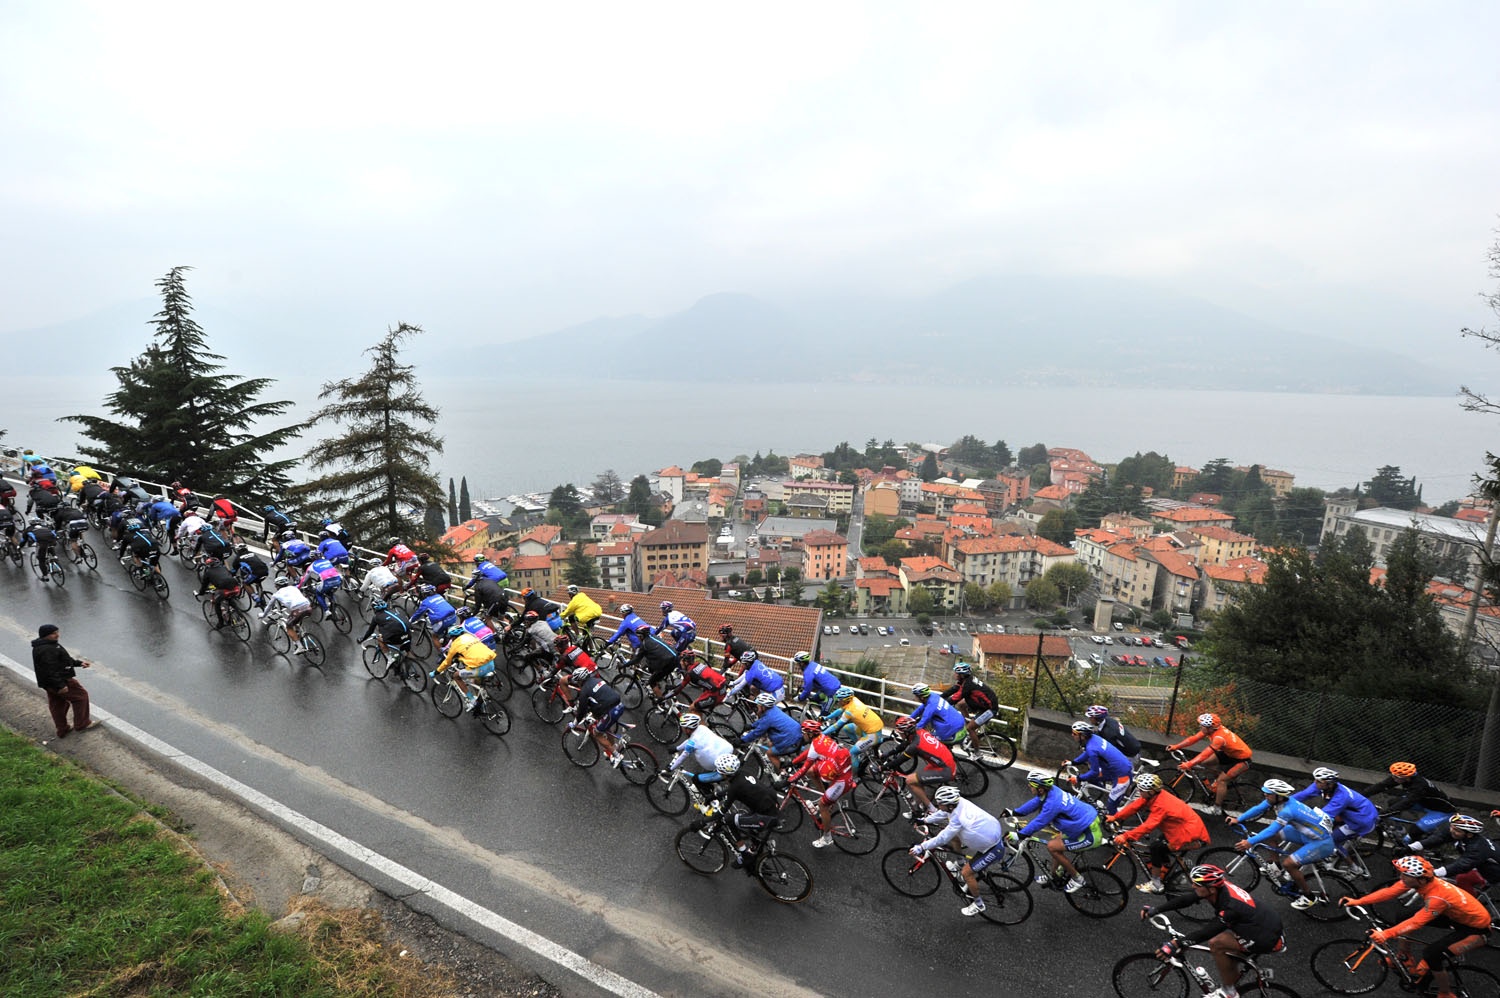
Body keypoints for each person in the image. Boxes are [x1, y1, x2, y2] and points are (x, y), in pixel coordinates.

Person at [1342, 855, 1490, 997]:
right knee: (1403, 916)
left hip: (1475, 929)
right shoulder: (1420, 881)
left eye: (1405, 875)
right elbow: (1389, 892)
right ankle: (1405, 957)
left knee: (1432, 955)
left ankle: (1446, 993)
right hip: (1455, 916)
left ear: (1421, 879)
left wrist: (1386, 934)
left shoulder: (1437, 897)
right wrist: (1358, 901)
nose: (1401, 877)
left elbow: (1417, 922)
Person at [1144, 864, 1285, 998]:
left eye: (1197, 884)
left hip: (1264, 936)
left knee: (1217, 944)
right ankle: (1232, 978)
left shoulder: (1230, 907)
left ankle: (1229, 992)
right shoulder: (1219, 887)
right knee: (1229, 955)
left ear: (1211, 889)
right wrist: (1157, 909)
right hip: (1265, 923)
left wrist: (1176, 944)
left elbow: (1208, 932)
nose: (1193, 886)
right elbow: (1187, 899)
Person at [1228, 778, 1334, 910]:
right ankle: (1276, 866)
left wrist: (1250, 841)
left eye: (1268, 793)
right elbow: (1258, 808)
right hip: (1307, 835)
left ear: (1279, 796)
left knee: (1289, 864)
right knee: (1272, 837)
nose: (1265, 795)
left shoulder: (1287, 811)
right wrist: (1238, 819)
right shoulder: (1280, 800)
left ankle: (1309, 897)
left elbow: (1272, 829)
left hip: (1321, 843)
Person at [911, 785, 1007, 916]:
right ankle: (960, 863)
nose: (938, 805)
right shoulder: (958, 802)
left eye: (940, 803)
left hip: (992, 850)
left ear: (950, 805)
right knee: (955, 838)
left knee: (967, 873)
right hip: (990, 836)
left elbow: (942, 838)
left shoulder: (959, 817)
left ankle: (979, 904)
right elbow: (943, 813)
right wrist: (924, 820)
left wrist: (922, 847)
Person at [1107, 772, 1208, 894]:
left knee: (1156, 848)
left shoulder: (1161, 805)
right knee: (1159, 845)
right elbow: (1135, 805)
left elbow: (1148, 826)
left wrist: (1126, 835)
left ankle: (1156, 884)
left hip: (1191, 835)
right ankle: (1172, 870)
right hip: (1182, 830)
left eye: (1141, 790)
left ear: (1150, 791)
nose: (1139, 791)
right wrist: (1116, 817)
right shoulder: (1155, 795)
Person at [1010, 770, 1102, 892]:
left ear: (1040, 789)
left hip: (1090, 833)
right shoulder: (1052, 790)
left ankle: (1078, 879)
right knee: (1056, 843)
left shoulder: (1053, 803)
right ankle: (1053, 875)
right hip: (1083, 824)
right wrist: (1015, 812)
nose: (1028, 785)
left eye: (1031, 784)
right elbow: (1036, 802)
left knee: (1052, 847)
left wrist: (1020, 835)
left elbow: (1040, 822)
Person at [695, 754, 781, 869]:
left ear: (726, 774)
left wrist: (702, 822)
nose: (719, 773)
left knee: (727, 820)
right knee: (748, 822)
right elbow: (731, 790)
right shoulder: (742, 773)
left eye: (720, 771)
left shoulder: (735, 786)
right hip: (769, 806)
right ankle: (755, 848)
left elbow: (721, 812)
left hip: (766, 816)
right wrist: (715, 795)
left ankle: (745, 854)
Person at [1166, 712, 1252, 815]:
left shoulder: (1219, 738)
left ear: (1210, 728)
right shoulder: (1211, 730)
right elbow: (1194, 738)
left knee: (1222, 780)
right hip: (1230, 754)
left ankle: (1217, 808)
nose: (1200, 727)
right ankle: (1217, 783)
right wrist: (1177, 746)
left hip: (1241, 760)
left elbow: (1205, 753)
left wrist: (1189, 764)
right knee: (1206, 763)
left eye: (1202, 726)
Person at [1292, 767, 1378, 869]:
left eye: (1318, 781)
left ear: (1330, 784)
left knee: (1332, 840)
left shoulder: (1341, 797)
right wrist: (1284, 802)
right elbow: (1303, 794)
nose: (1315, 782)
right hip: (1348, 813)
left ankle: (1354, 868)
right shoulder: (1324, 785)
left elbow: (1321, 816)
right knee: (1322, 830)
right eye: (1315, 780)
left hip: (1361, 822)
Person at [785, 732, 856, 849]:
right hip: (842, 770)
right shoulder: (820, 739)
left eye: (803, 733)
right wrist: (793, 762)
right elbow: (809, 753)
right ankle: (826, 796)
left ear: (809, 734)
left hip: (842, 782)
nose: (802, 735)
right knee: (811, 772)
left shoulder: (817, 742)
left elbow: (804, 768)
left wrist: (789, 780)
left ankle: (827, 838)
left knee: (822, 805)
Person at [1407, 814, 1500, 895]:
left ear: (1469, 834)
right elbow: (1439, 838)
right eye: (1451, 827)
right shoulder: (1461, 834)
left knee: (1462, 880)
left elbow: (1462, 865)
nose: (1451, 830)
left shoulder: (1478, 848)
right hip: (1481, 866)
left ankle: (1468, 904)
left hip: (1495, 873)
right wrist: (1411, 847)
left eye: (1456, 830)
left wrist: (1435, 873)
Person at [31, 624, 96, 738]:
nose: (57, 635)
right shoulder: (47, 649)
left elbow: (63, 660)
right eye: (53, 633)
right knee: (81, 696)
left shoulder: (45, 645)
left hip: (48, 683)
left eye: (57, 632)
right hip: (60, 680)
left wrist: (79, 663)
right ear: (45, 635)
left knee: (57, 704)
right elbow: (49, 669)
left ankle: (62, 729)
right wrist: (60, 685)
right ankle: (82, 724)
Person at [1366, 761, 1455, 835]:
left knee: (1414, 831)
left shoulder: (1419, 786)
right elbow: (1382, 786)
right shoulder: (1404, 777)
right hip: (1422, 802)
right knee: (1393, 802)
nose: (1393, 778)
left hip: (1442, 811)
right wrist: (1362, 795)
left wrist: (1382, 814)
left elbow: (1406, 803)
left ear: (1406, 777)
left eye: (1395, 777)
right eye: (1393, 775)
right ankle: (1399, 829)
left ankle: (1414, 848)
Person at [894, 716, 956, 816]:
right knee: (916, 780)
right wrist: (887, 754)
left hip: (946, 770)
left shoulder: (915, 745)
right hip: (945, 762)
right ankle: (921, 808)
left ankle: (932, 810)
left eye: (900, 732)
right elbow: (903, 745)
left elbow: (899, 760)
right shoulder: (919, 732)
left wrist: (882, 767)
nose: (899, 734)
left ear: (907, 733)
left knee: (909, 780)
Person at [1070, 719, 1134, 810]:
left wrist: (1078, 778)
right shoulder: (1094, 738)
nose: (1072, 735)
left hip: (1122, 775)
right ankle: (1108, 793)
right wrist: (1073, 762)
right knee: (1091, 779)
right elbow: (1087, 753)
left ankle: (1114, 809)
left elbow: (1094, 772)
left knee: (1111, 808)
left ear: (1083, 736)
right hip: (1114, 770)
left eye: (1074, 734)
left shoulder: (1091, 748)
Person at [433, 623, 498, 713]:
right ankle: (482, 699)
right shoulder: (469, 636)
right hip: (491, 663)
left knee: (456, 676)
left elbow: (447, 662)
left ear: (452, 637)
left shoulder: (455, 645)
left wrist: (436, 672)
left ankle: (472, 701)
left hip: (480, 669)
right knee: (476, 681)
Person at [819, 686, 885, 771]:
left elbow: (836, 726)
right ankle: (860, 746)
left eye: (839, 700)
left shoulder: (849, 711)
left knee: (852, 753)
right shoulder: (854, 700)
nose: (838, 701)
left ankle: (855, 776)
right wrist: (827, 717)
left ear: (844, 700)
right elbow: (840, 710)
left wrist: (822, 733)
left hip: (873, 734)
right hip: (874, 725)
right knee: (847, 728)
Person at [571, 669, 626, 765]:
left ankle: (617, 756)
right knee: (605, 726)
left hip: (610, 711)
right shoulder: (597, 680)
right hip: (619, 705)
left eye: (577, 681)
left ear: (580, 680)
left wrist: (574, 723)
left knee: (597, 734)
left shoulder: (584, 691)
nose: (577, 683)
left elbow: (581, 711)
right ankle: (613, 746)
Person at [740, 691, 806, 767]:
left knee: (770, 753)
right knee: (770, 743)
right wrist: (752, 726)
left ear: (763, 707)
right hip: (796, 735)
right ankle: (780, 758)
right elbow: (763, 721)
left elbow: (757, 733)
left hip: (791, 741)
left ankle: (782, 772)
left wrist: (742, 740)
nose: (757, 707)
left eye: (758, 705)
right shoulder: (773, 709)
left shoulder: (768, 717)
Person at [668, 713, 735, 785]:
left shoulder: (692, 743)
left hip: (714, 765)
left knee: (696, 779)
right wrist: (677, 748)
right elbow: (690, 741)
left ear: (688, 729)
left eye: (683, 727)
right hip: (727, 750)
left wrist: (671, 768)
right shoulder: (702, 728)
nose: (682, 728)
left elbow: (682, 758)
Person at [944, 663, 1002, 739]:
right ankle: (969, 726)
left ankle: (975, 745)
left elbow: (955, 698)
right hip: (984, 704)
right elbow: (954, 689)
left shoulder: (968, 685)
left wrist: (942, 703)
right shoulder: (967, 680)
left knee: (970, 728)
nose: (955, 674)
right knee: (961, 704)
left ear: (962, 675)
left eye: (956, 673)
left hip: (990, 709)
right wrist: (940, 697)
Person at [261, 574, 313, 653]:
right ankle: (300, 633)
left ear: (277, 586)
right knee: (295, 621)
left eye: (276, 585)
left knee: (289, 627)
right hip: (308, 607)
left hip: (297, 610)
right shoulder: (293, 587)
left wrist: (263, 615)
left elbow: (269, 606)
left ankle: (300, 647)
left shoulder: (276, 594)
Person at [1085, 704, 1141, 770]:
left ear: (1097, 718)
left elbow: (1109, 752)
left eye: (1091, 717)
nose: (1089, 719)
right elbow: (1100, 734)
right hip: (1131, 747)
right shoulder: (1108, 721)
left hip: (1129, 755)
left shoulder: (1109, 732)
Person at [634, 624, 682, 696]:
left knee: (652, 680)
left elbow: (639, 657)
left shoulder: (646, 643)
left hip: (664, 660)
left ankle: (661, 700)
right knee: (651, 665)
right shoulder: (653, 636)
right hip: (670, 656)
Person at [359, 599, 412, 663]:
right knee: (405, 649)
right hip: (408, 634)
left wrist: (363, 639)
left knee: (379, 639)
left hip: (398, 638)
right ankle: (409, 657)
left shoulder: (376, 617)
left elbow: (370, 631)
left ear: (375, 609)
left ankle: (390, 659)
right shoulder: (392, 611)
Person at [194, 558, 243, 627]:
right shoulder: (223, 568)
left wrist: (201, 593)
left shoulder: (208, 572)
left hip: (224, 590)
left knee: (217, 603)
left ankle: (221, 623)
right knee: (230, 599)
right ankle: (240, 616)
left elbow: (204, 584)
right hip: (236, 588)